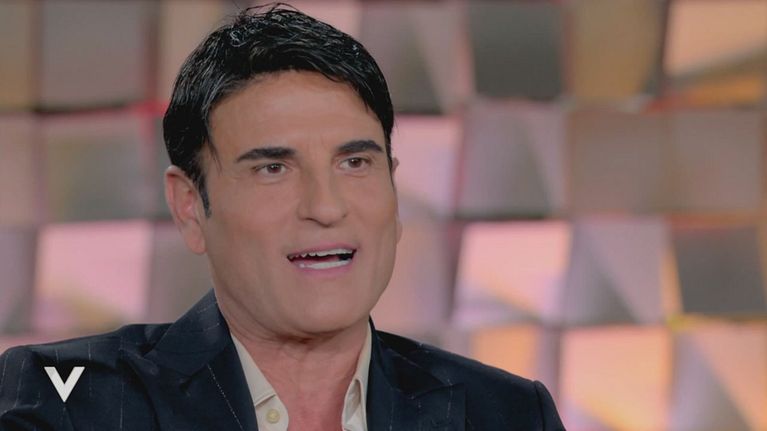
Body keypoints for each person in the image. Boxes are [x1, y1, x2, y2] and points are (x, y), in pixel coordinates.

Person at [0, 4, 564, 430]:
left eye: (355, 162)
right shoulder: (64, 402)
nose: (325, 207)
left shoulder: (509, 412)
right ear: (190, 206)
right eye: (273, 168)